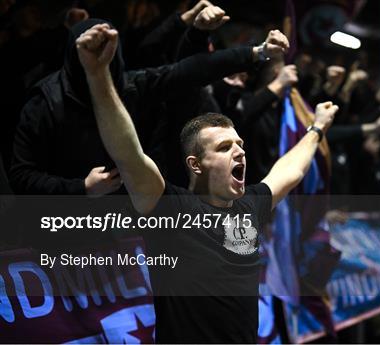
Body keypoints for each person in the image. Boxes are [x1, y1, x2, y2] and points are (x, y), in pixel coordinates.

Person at [76, 23, 338, 343]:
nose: (239, 151)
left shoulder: (249, 205)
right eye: (225, 147)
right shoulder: (169, 209)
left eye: (239, 144)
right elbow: (127, 152)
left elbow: (290, 170)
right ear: (195, 164)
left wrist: (316, 129)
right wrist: (98, 75)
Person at [9, 16, 287, 195]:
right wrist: (80, 188)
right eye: (92, 66)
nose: (99, 75)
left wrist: (257, 53)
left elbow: (190, 70)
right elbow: (22, 175)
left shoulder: (130, 86)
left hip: (127, 223)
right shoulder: (43, 105)